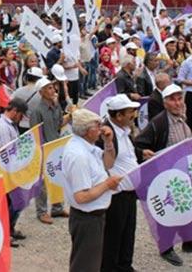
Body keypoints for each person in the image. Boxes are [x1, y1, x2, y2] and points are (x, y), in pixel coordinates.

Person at [135, 84, 192, 266]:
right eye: (173, 99)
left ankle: (189, 241)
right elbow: (139, 144)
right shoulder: (159, 123)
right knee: (167, 212)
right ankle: (166, 248)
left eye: (180, 99)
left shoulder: (182, 118)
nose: (178, 103)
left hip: (183, 174)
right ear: (165, 102)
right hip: (165, 178)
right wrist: (148, 156)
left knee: (188, 206)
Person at [62, 108, 123, 272]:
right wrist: (108, 184)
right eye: (98, 125)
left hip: (93, 217)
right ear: (88, 131)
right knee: (85, 265)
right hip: (87, 218)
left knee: (90, 262)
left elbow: (108, 163)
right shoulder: (79, 155)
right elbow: (81, 196)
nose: (102, 128)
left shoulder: (87, 146)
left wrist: (109, 142)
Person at [97, 94, 141, 272]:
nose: (134, 114)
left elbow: (127, 154)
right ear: (119, 116)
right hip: (116, 196)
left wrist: (141, 153)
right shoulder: (107, 134)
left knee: (128, 234)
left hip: (130, 194)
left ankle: (125, 266)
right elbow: (101, 163)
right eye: (131, 111)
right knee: (113, 237)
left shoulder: (125, 131)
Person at [0, 98, 29, 246]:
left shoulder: (11, 125)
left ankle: (11, 228)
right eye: (21, 115)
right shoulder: (2, 128)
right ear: (14, 111)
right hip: (7, 172)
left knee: (16, 203)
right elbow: (8, 151)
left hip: (14, 170)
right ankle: (5, 233)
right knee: (9, 204)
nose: (21, 119)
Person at [30, 77, 68, 224]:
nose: (53, 90)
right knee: (43, 183)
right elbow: (35, 133)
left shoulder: (56, 106)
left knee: (57, 177)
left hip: (56, 147)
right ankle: (42, 211)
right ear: (41, 92)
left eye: (53, 87)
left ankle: (58, 207)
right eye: (49, 88)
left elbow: (59, 124)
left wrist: (69, 116)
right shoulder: (37, 111)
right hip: (44, 149)